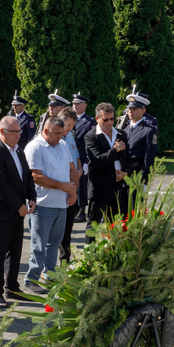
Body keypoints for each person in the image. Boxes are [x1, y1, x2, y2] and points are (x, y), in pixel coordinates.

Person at [0, 116, 37, 307]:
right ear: (2, 132)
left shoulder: (19, 151)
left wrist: (32, 197)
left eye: (19, 131)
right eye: (13, 132)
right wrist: (18, 206)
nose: (17, 135)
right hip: (0, 212)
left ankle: (12, 288)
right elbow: (0, 184)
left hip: (17, 212)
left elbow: (27, 177)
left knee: (15, 253)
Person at [23, 116, 76, 293]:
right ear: (45, 131)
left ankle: (50, 276)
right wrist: (62, 186)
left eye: (62, 133)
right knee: (39, 245)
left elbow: (72, 169)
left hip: (61, 204)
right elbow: (35, 176)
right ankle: (31, 279)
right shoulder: (35, 147)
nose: (60, 137)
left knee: (54, 244)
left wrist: (73, 191)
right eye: (57, 133)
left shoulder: (62, 145)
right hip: (42, 205)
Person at [83, 102, 128, 230]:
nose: (109, 122)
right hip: (100, 188)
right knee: (93, 225)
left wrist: (125, 173)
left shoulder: (120, 134)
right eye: (105, 119)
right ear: (97, 119)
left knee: (115, 225)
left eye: (112, 119)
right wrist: (115, 150)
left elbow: (128, 158)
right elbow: (98, 160)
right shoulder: (91, 136)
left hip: (117, 186)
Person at [58, 107, 82, 262]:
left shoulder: (70, 135)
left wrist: (79, 168)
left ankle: (65, 260)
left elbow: (76, 154)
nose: (70, 128)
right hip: (61, 187)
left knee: (68, 227)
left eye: (72, 126)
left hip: (73, 185)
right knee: (59, 229)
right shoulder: (55, 139)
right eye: (68, 125)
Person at [123, 92, 158, 185]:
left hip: (137, 174)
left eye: (134, 109)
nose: (130, 111)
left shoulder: (149, 130)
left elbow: (149, 157)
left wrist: (144, 179)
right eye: (129, 109)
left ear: (143, 110)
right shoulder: (125, 129)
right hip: (123, 174)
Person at [71, 93, 95, 223]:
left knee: (82, 184)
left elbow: (90, 144)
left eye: (78, 104)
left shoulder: (89, 122)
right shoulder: (69, 120)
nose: (75, 106)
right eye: (74, 104)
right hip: (71, 153)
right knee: (72, 181)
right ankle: (74, 208)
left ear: (85, 105)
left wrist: (86, 162)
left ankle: (81, 210)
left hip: (82, 153)